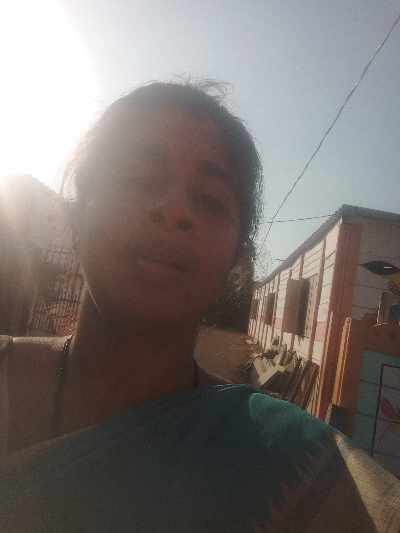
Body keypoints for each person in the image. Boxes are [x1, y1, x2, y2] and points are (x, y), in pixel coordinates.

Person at [0, 82, 399, 532]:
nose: (174, 211)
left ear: (235, 261)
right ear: (77, 216)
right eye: (139, 179)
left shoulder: (289, 464)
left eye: (209, 200)